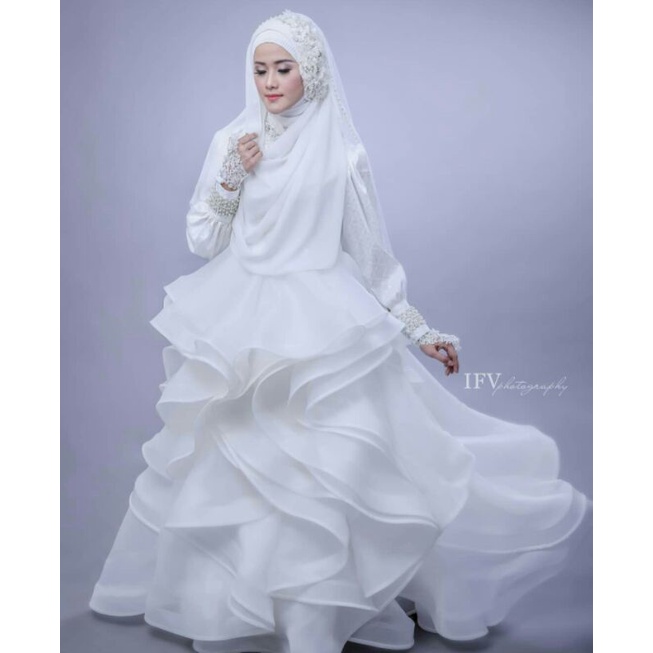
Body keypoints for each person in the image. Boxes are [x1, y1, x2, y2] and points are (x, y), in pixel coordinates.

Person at [89, 10, 592, 653]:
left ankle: (316, 614)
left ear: (313, 72)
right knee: (237, 462)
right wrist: (232, 176)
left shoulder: (342, 152)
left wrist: (418, 329)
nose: (270, 82)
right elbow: (202, 239)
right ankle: (234, 603)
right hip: (243, 321)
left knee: (330, 465)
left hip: (323, 320)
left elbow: (371, 255)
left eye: (284, 68)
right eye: (260, 70)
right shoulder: (233, 141)